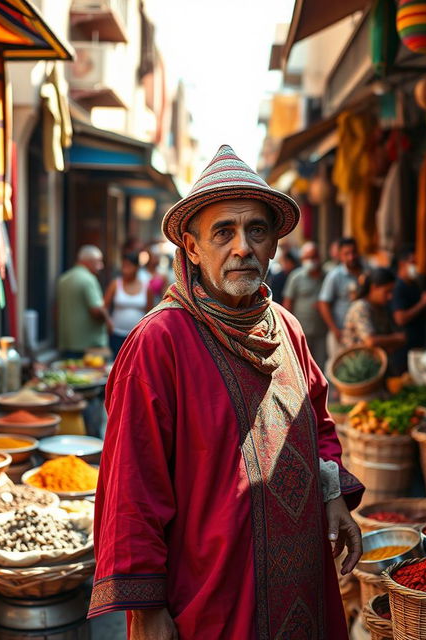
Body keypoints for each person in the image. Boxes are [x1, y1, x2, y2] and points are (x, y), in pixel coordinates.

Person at [89, 145, 364, 640]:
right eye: (224, 232)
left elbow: (318, 422)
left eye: (256, 230)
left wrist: (333, 495)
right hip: (213, 599)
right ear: (192, 249)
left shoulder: (286, 328)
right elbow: (132, 487)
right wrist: (147, 611)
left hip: (302, 585)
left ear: (275, 245)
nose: (243, 247)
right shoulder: (159, 343)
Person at [57, 245, 112, 358]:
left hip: (67, 343)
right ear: (89, 261)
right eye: (98, 262)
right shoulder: (89, 279)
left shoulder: (64, 279)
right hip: (89, 346)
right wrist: (108, 321)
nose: (101, 266)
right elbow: (96, 310)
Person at [318, 237, 364, 365]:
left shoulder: (367, 272)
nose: (351, 257)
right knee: (341, 368)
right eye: (346, 254)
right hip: (341, 331)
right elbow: (323, 304)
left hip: (363, 332)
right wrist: (335, 330)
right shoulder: (335, 276)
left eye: (353, 252)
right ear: (340, 256)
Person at [283, 242, 328, 371]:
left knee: (320, 365)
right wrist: (288, 329)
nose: (311, 261)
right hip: (301, 331)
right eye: (307, 258)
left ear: (319, 257)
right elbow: (287, 303)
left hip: (322, 331)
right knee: (302, 365)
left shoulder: (327, 276)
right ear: (302, 260)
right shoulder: (296, 277)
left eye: (314, 257)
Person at [342, 267, 406, 356]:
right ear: (374, 288)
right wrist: (396, 339)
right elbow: (370, 341)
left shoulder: (380, 308)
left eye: (392, 292)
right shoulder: (361, 307)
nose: (390, 296)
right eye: (387, 292)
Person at [392, 248, 426, 373]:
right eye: (413, 262)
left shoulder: (415, 283)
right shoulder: (398, 288)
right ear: (402, 263)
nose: (416, 266)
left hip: (418, 342)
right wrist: (423, 303)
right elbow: (400, 318)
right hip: (404, 349)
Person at [104, 253, 154, 356]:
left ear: (136, 268)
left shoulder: (146, 287)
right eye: (123, 266)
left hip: (137, 335)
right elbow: (105, 306)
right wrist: (108, 322)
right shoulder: (115, 284)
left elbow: (150, 313)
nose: (125, 270)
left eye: (128, 266)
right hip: (117, 333)